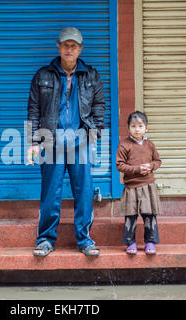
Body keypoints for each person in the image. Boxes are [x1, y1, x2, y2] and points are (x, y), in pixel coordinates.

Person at [27, 27, 105, 257]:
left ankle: (85, 240)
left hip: (81, 141)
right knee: (50, 193)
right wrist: (33, 141)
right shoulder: (43, 75)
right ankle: (45, 240)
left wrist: (95, 132)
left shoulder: (91, 75)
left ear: (80, 48)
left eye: (74, 45)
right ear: (58, 46)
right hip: (51, 142)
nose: (69, 49)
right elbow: (34, 109)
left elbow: (99, 106)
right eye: (65, 45)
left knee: (84, 192)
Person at [116, 111, 162, 255]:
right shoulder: (124, 146)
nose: (137, 129)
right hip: (131, 187)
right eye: (133, 126)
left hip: (148, 185)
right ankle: (130, 243)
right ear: (128, 128)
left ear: (146, 128)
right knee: (131, 216)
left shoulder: (150, 145)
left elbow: (158, 161)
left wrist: (151, 166)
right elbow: (120, 165)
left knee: (149, 215)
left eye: (140, 126)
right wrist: (137, 169)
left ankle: (150, 242)